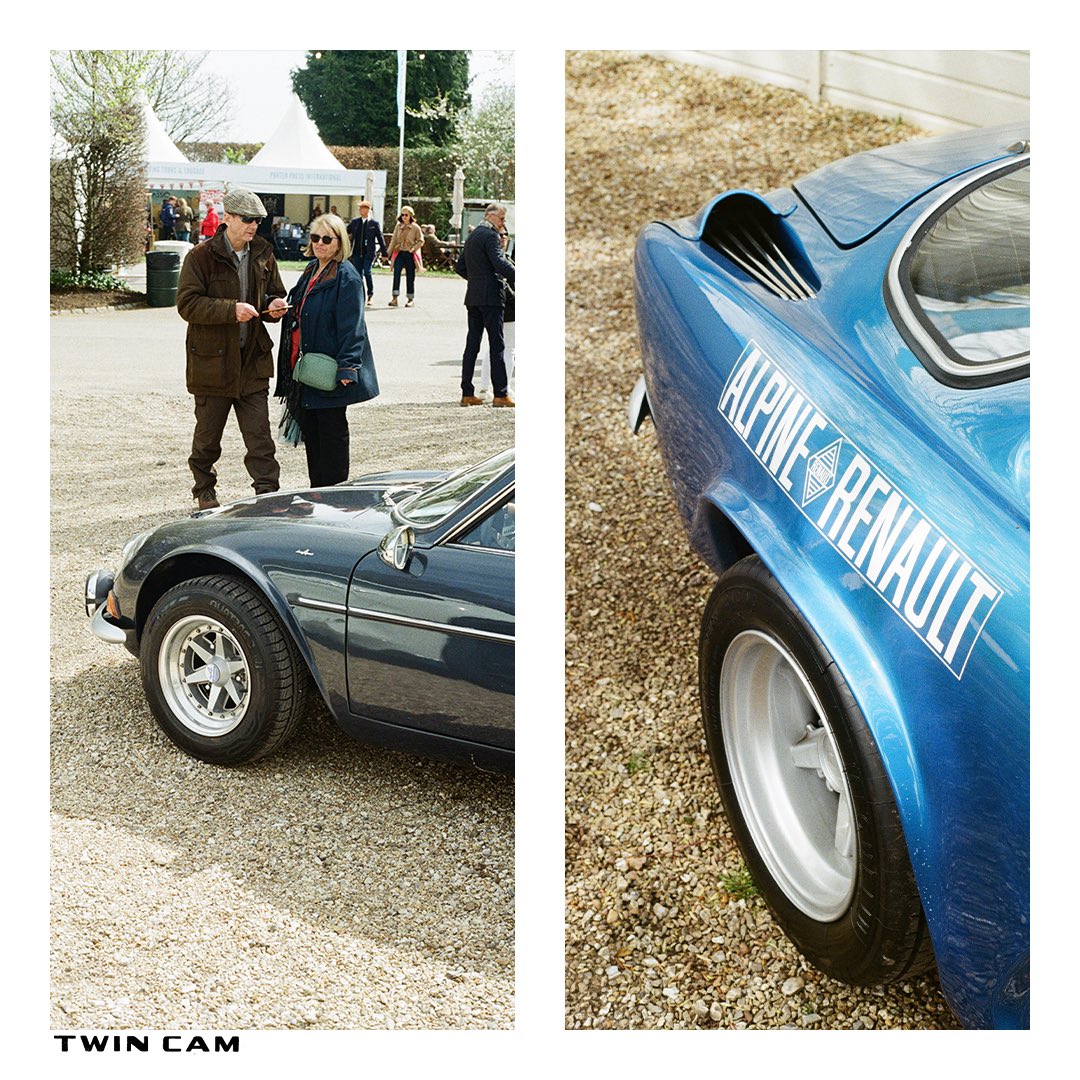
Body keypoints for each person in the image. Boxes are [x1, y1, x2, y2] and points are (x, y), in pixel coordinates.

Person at [176, 187, 288, 509]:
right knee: (207, 440)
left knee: (261, 441)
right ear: (228, 218)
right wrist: (230, 310)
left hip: (252, 361)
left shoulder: (264, 252)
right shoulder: (200, 256)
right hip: (212, 364)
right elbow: (187, 304)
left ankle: (268, 495)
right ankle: (204, 490)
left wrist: (275, 305)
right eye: (248, 219)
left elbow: (272, 293)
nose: (254, 226)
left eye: (258, 220)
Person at [274, 213, 379, 488]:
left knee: (331, 433)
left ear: (339, 241)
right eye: (315, 237)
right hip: (308, 368)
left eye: (326, 239)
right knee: (314, 432)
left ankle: (334, 493)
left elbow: (353, 328)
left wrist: (348, 367)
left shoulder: (347, 276)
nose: (319, 243)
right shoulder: (312, 268)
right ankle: (318, 490)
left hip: (330, 370)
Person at [455, 203, 516, 407]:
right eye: (501, 218)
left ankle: (467, 393)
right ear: (490, 216)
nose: (503, 223)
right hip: (491, 298)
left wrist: (476, 280)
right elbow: (500, 263)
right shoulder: (490, 236)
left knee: (472, 345)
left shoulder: (473, 235)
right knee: (497, 344)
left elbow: (460, 266)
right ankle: (501, 394)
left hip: (473, 297)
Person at [477, 229, 515, 399]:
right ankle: (503, 387)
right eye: (500, 235)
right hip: (507, 307)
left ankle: (485, 387)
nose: (503, 238)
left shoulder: (489, 260)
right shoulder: (500, 260)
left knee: (493, 348)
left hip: (493, 306)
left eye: (505, 235)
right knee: (508, 349)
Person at [347, 200, 389, 304]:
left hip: (369, 253)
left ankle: (370, 294)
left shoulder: (374, 224)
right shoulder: (355, 222)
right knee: (357, 274)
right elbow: (346, 232)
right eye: (360, 208)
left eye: (364, 208)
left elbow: (380, 238)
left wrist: (384, 253)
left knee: (367, 272)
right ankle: (359, 295)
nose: (361, 210)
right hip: (357, 252)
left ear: (368, 210)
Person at [387, 205, 423, 307]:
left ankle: (410, 298)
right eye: (402, 215)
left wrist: (413, 249)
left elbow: (421, 241)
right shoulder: (398, 226)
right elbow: (393, 241)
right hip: (399, 253)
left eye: (406, 215)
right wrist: (387, 254)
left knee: (410, 276)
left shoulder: (415, 227)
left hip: (410, 254)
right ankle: (394, 298)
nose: (404, 217)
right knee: (396, 274)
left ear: (411, 215)